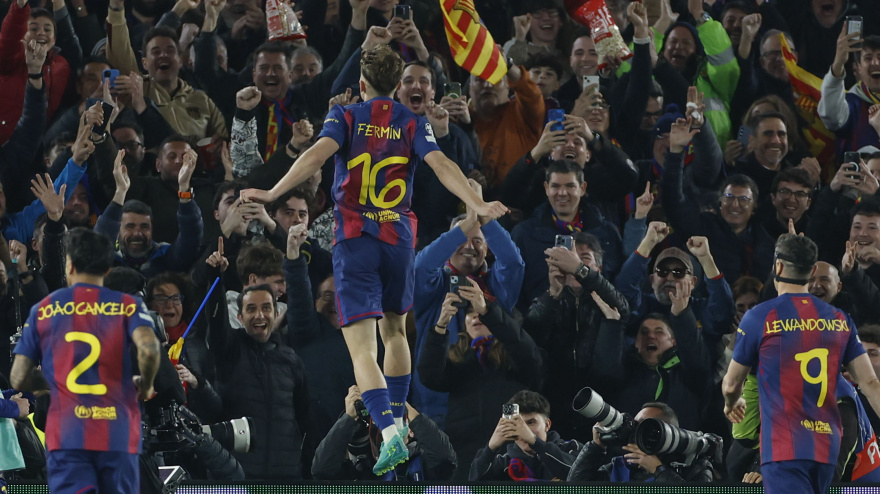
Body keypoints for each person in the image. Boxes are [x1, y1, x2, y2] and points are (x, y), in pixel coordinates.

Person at [240, 44, 507, 475]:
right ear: (398, 85)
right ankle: (398, 421)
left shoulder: (345, 116)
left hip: (356, 239)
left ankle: (388, 432)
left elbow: (316, 155)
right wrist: (476, 201)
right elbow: (441, 164)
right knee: (396, 333)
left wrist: (272, 192)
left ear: (362, 84)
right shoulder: (413, 121)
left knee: (363, 348)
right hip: (398, 238)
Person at [722, 234, 880, 494]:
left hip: (785, 447)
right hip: (827, 447)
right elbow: (870, 383)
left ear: (778, 266)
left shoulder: (759, 317)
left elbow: (731, 384)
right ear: (812, 271)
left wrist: (731, 403)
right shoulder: (840, 319)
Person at [10, 227, 161, 494]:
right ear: (107, 270)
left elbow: (18, 377)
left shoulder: (45, 309)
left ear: (70, 266)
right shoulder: (128, 305)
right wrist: (145, 384)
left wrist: (50, 383)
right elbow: (149, 350)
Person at [567, 402, 715, 482]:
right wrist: (595, 447)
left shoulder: (693, 467)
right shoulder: (620, 466)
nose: (636, 433)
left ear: (669, 433)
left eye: (645, 427)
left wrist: (658, 471)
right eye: (635, 425)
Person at [469, 390, 581, 482]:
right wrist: (490, 448)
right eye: (517, 423)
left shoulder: (572, 448)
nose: (522, 429)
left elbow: (579, 477)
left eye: (531, 422)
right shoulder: (505, 463)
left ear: (547, 425)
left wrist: (534, 441)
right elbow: (474, 487)